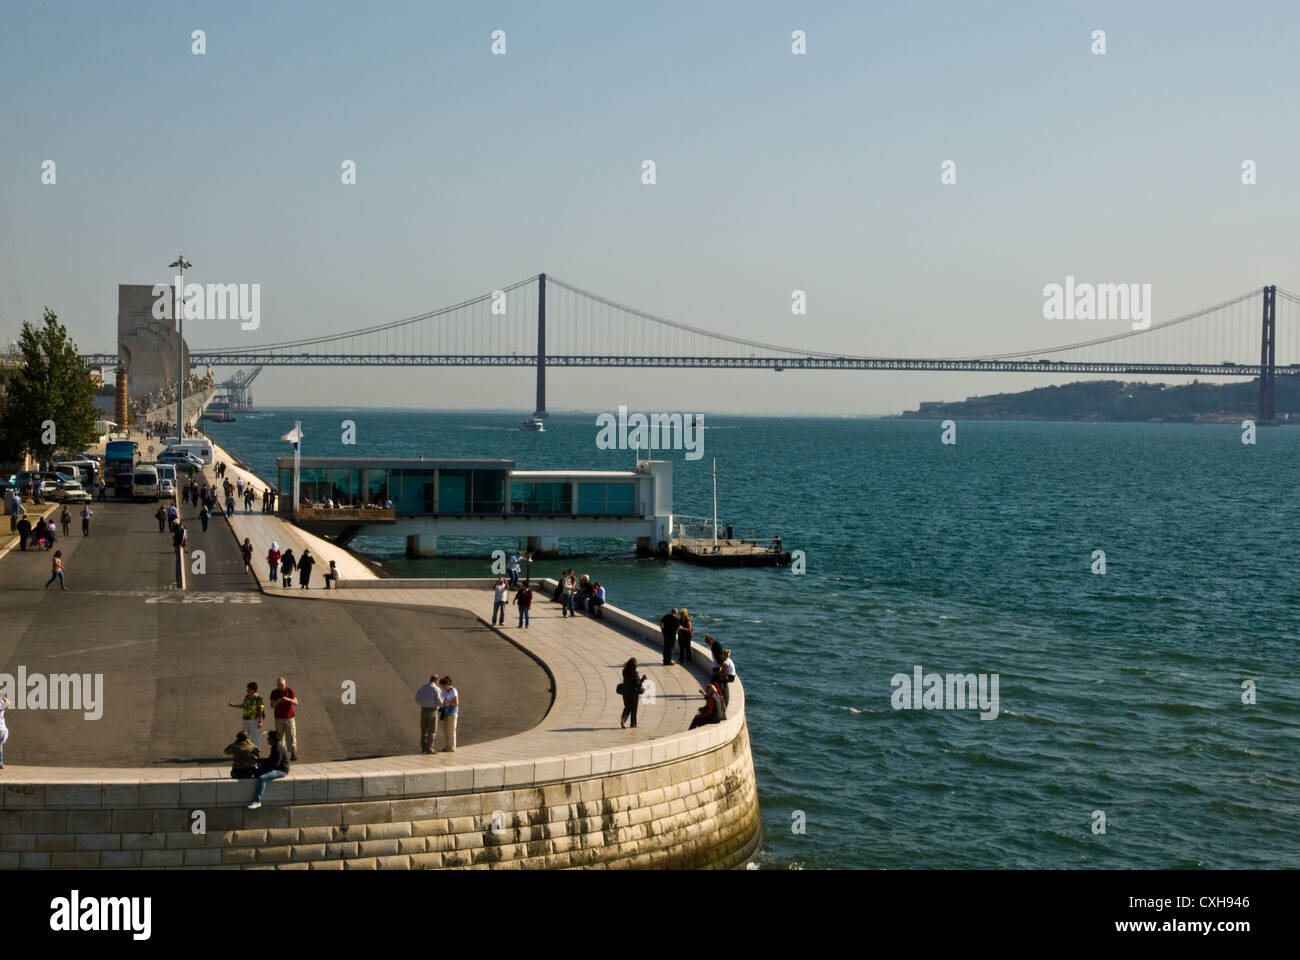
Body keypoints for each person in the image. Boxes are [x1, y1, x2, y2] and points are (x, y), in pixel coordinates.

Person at [247, 729, 290, 809]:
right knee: (255, 772)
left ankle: (257, 801)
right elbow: (270, 760)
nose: (267, 740)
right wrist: (258, 760)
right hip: (276, 768)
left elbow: (275, 764)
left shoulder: (278, 748)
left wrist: (263, 765)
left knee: (262, 778)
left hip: (281, 770)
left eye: (268, 738)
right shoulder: (274, 747)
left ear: (272, 740)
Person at [269, 676, 299, 761]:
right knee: (279, 736)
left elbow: (296, 702)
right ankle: (281, 753)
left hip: (289, 717)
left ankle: (293, 753)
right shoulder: (274, 692)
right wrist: (277, 701)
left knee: (291, 735)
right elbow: (271, 705)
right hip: (278, 718)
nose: (280, 687)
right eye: (278, 685)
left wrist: (288, 699)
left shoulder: (290, 691)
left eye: (282, 685)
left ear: (285, 684)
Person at [229, 682, 265, 747]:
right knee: (244, 737)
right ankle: (246, 751)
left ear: (253, 690)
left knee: (255, 737)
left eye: (248, 689)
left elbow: (261, 710)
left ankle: (256, 754)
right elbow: (243, 705)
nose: (247, 690)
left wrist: (260, 721)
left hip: (254, 720)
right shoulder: (247, 697)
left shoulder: (259, 698)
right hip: (245, 720)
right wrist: (233, 705)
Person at [415, 674, 443, 754]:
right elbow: (440, 701)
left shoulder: (423, 687)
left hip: (423, 710)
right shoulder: (436, 689)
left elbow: (416, 698)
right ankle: (429, 748)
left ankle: (423, 748)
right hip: (432, 711)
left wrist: (423, 703)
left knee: (424, 730)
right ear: (436, 680)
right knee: (432, 730)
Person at [619, 658, 646, 729]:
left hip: (625, 692)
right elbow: (638, 683)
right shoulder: (635, 673)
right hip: (633, 693)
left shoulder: (624, 672)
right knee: (634, 708)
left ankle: (623, 720)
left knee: (627, 707)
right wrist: (642, 679)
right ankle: (633, 723)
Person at [438, 676, 459, 752]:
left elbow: (456, 703)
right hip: (446, 712)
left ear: (447, 684)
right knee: (446, 730)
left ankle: (452, 747)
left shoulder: (454, 690)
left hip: (452, 713)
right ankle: (447, 746)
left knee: (451, 730)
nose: (442, 687)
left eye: (443, 686)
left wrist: (447, 702)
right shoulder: (445, 692)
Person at [0, 692, 8, 769]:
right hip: (2, 728)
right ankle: (0, 763)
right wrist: (3, 697)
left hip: (1, 728)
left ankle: (0, 763)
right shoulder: (2, 703)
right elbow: (8, 703)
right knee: (0, 746)